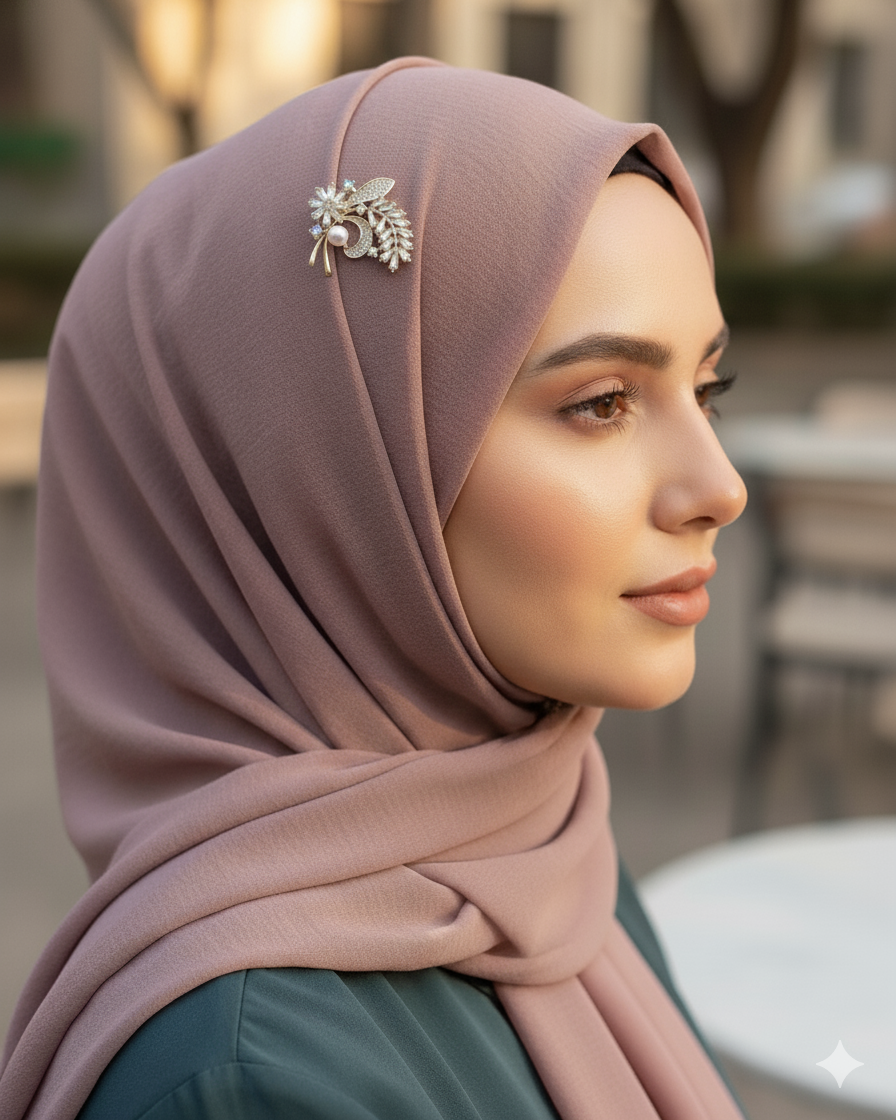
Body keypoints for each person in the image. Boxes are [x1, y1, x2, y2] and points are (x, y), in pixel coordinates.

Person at [0, 57, 748, 1119]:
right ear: (327, 470)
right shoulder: (248, 1079)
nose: (717, 487)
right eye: (599, 403)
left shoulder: (543, 844)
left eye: (706, 387)